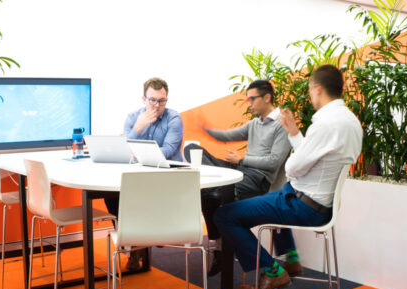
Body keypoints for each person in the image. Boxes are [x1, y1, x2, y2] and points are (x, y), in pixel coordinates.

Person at [213, 64, 363, 289]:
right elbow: (310, 160)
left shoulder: (325, 123)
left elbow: (293, 167)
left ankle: (273, 271)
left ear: (318, 88)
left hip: (303, 205)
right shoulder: (350, 121)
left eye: (311, 91)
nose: (311, 96)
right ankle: (289, 260)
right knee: (265, 200)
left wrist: (249, 159)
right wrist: (294, 133)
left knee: (224, 215)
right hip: (316, 202)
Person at [183, 79, 291, 276]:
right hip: (240, 171)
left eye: (252, 98)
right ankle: (220, 241)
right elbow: (226, 136)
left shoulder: (281, 126)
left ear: (267, 97)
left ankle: (219, 247)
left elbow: (274, 162)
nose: (249, 103)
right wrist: (204, 128)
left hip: (257, 179)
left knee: (210, 194)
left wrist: (242, 159)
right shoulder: (254, 124)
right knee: (191, 149)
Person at [105, 77, 184, 270]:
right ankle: (133, 242)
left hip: (166, 175)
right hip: (140, 174)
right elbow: (124, 150)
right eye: (152, 100)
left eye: (161, 101)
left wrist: (137, 154)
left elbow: (169, 151)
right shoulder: (133, 118)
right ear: (143, 99)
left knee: (137, 196)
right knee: (112, 196)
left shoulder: (174, 118)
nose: (157, 105)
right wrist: (138, 128)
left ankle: (136, 245)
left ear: (167, 99)